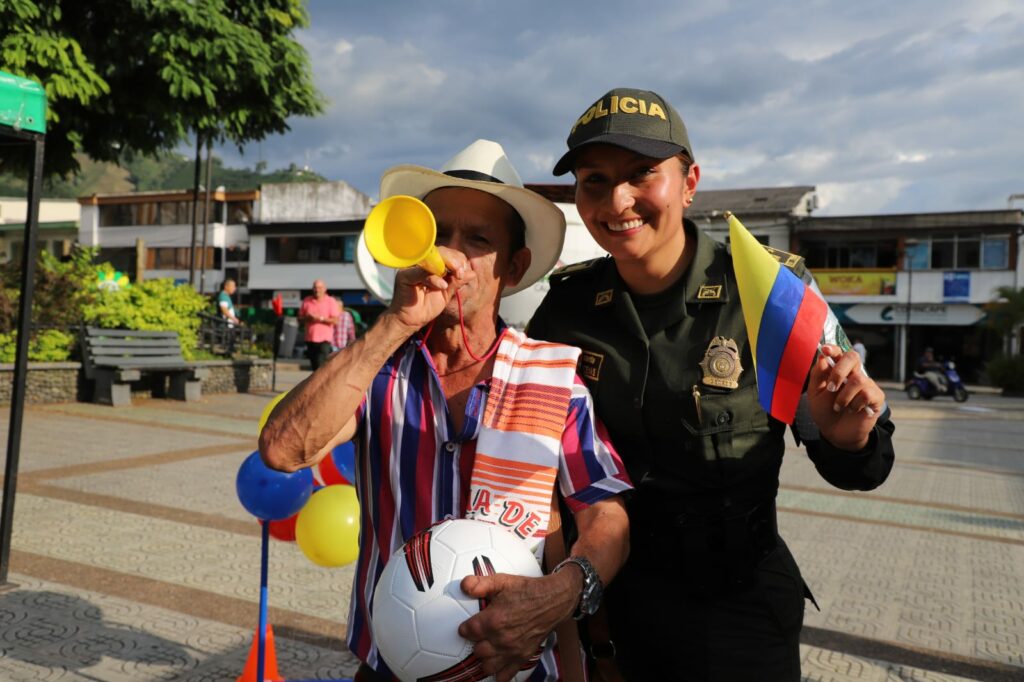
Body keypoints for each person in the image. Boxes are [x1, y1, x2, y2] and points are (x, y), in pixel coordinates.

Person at [528, 88, 896, 680]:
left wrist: (848, 438)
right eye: (594, 181)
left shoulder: (770, 289)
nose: (617, 200)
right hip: (609, 615)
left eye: (642, 175)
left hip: (736, 611)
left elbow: (863, 463)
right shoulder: (566, 309)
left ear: (689, 180)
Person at [260, 139, 632, 682]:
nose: (451, 256)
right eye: (438, 236)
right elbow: (283, 449)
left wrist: (562, 592)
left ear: (514, 265)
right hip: (391, 667)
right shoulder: (380, 368)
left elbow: (607, 513)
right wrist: (395, 324)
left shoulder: (551, 377)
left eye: (477, 239)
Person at [298, 279, 341, 370]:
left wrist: (320, 318)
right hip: (310, 339)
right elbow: (300, 319)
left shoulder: (330, 301)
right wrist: (308, 318)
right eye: (315, 287)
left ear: (325, 289)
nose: (317, 290)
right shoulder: (307, 301)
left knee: (320, 365)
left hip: (324, 340)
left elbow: (336, 320)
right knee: (314, 366)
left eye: (320, 288)